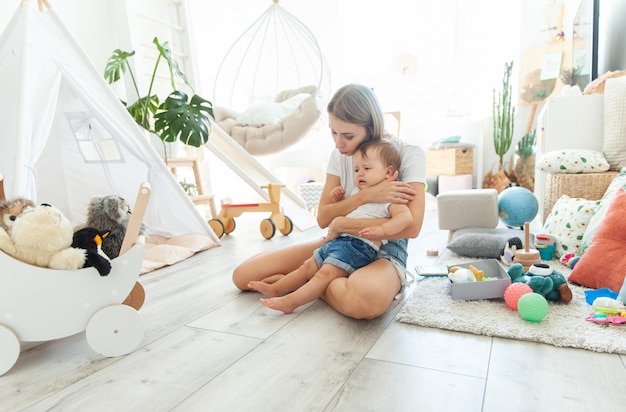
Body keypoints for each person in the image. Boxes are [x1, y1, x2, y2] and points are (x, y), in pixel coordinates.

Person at [232, 83, 426, 320]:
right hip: (339, 242)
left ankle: (310, 283)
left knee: (366, 300)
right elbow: (324, 218)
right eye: (333, 132)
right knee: (243, 277)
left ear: (372, 128)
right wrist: (366, 196)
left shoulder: (409, 154)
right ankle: (318, 280)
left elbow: (412, 227)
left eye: (348, 136)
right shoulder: (340, 155)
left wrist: (343, 223)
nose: (338, 143)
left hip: (385, 250)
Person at [248, 139, 413, 314]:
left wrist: (383, 231)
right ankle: (276, 289)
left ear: (388, 172)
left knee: (322, 275)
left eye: (366, 169)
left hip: (359, 248)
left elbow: (405, 217)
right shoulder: (359, 192)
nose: (360, 174)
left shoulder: (391, 196)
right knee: (306, 267)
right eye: (356, 170)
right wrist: (340, 199)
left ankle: (290, 302)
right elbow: (347, 213)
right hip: (339, 241)